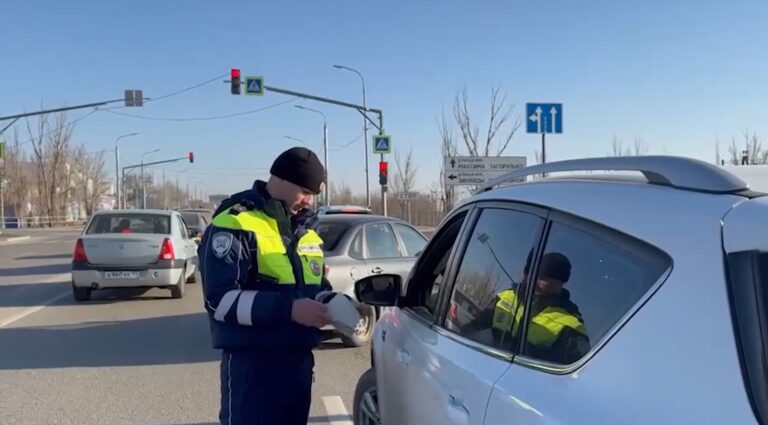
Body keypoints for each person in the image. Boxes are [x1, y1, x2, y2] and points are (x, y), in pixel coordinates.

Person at [198, 147, 333, 425]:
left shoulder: (305, 228)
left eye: (312, 194)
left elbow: (315, 286)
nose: (308, 201)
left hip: (297, 364)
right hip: (253, 369)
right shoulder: (235, 223)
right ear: (281, 178)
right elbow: (220, 301)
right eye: (304, 191)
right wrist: (289, 309)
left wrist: (334, 302)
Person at [488, 252, 590, 364]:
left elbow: (577, 370)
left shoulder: (571, 327)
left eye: (542, 278)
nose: (535, 281)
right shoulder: (505, 297)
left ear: (560, 283)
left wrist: (527, 351)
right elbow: (475, 329)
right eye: (534, 275)